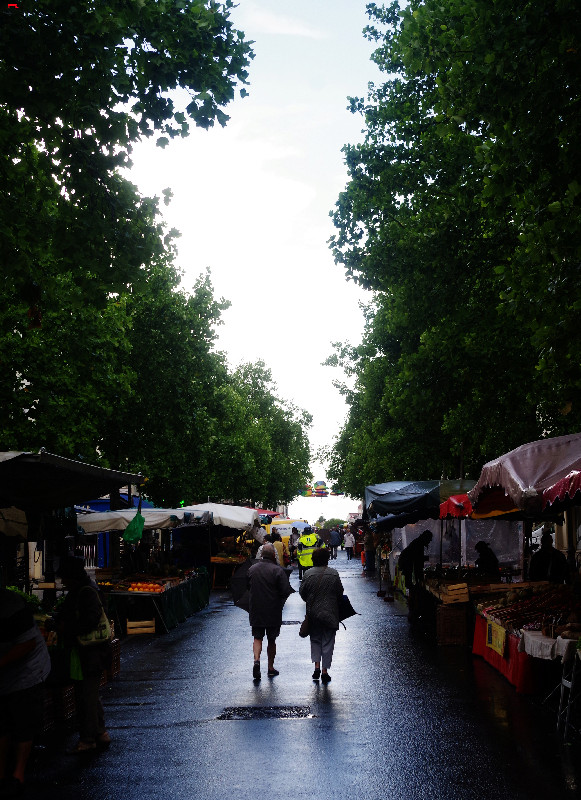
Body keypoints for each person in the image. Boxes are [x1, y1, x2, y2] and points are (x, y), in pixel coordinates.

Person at [54, 555, 112, 753]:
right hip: (90, 653)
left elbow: (89, 621)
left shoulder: (86, 592)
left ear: (72, 576)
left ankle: (88, 739)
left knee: (86, 695)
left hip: (90, 653)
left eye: (65, 578)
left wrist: (65, 627)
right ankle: (100, 732)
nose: (63, 582)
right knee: (90, 694)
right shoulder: (86, 589)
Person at [0, 588, 51, 797]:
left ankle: (18, 775)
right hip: (5, 674)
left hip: (28, 670)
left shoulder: (10, 606)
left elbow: (28, 643)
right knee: (2, 725)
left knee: (22, 722)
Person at [247, 543, 293, 681]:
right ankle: (270, 668)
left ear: (261, 555)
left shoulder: (251, 569)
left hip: (256, 609)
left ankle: (256, 661)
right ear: (273, 555)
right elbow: (285, 590)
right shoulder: (277, 570)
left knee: (257, 637)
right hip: (273, 609)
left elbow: (247, 586)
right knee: (271, 639)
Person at [299, 548, 344, 684]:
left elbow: (302, 593)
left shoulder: (308, 574)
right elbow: (340, 592)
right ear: (327, 559)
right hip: (330, 613)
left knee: (315, 640)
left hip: (313, 613)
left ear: (313, 559)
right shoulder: (334, 574)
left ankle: (316, 666)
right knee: (328, 641)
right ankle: (325, 670)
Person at [397, 530, 433, 623]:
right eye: (429, 540)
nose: (429, 542)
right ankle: (413, 610)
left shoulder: (418, 542)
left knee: (412, 588)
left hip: (407, 566)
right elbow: (418, 564)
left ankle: (413, 609)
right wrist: (420, 579)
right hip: (408, 567)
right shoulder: (419, 545)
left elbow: (418, 561)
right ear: (426, 538)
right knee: (413, 588)